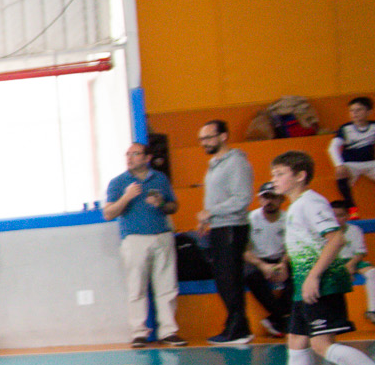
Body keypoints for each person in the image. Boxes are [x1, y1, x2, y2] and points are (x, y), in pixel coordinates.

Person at [253, 152, 375, 365]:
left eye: (280, 174)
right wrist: (289, 266)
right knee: (296, 340)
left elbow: (336, 239)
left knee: (322, 345)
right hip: (304, 284)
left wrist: (313, 277)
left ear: (300, 176)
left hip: (322, 284)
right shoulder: (295, 206)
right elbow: (304, 243)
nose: (274, 180)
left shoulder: (311, 202)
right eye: (273, 175)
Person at [102, 143, 185, 348]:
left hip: (162, 236)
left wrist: (161, 203)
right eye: (127, 154)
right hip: (134, 239)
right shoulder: (118, 182)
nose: (130, 158)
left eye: (135, 154)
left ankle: (168, 331)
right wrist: (127, 196)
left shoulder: (160, 179)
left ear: (147, 158)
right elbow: (108, 213)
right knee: (136, 287)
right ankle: (139, 332)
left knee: (167, 287)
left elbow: (173, 206)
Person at [196, 121, 256, 346]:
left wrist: (211, 212)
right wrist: (207, 218)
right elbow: (215, 196)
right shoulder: (215, 163)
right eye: (201, 139)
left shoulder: (236, 162)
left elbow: (242, 199)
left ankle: (238, 329)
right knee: (224, 279)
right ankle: (238, 326)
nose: (204, 143)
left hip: (232, 227)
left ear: (223, 136)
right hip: (219, 226)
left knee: (230, 279)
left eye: (208, 138)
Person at [243, 190, 290, 337]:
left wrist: (283, 264)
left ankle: (274, 319)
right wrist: (262, 265)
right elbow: (244, 250)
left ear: (281, 199)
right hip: (256, 259)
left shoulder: (288, 218)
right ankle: (282, 317)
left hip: (281, 258)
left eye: (273, 197)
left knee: (302, 274)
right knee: (250, 275)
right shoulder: (250, 218)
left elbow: (293, 246)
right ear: (259, 200)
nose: (269, 201)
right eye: (265, 197)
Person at [330, 96, 375, 211]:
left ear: (369, 111)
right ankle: (351, 207)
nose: (354, 113)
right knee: (340, 174)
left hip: (371, 163)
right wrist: (339, 165)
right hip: (350, 164)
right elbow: (333, 147)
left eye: (359, 110)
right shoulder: (345, 128)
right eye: (352, 110)